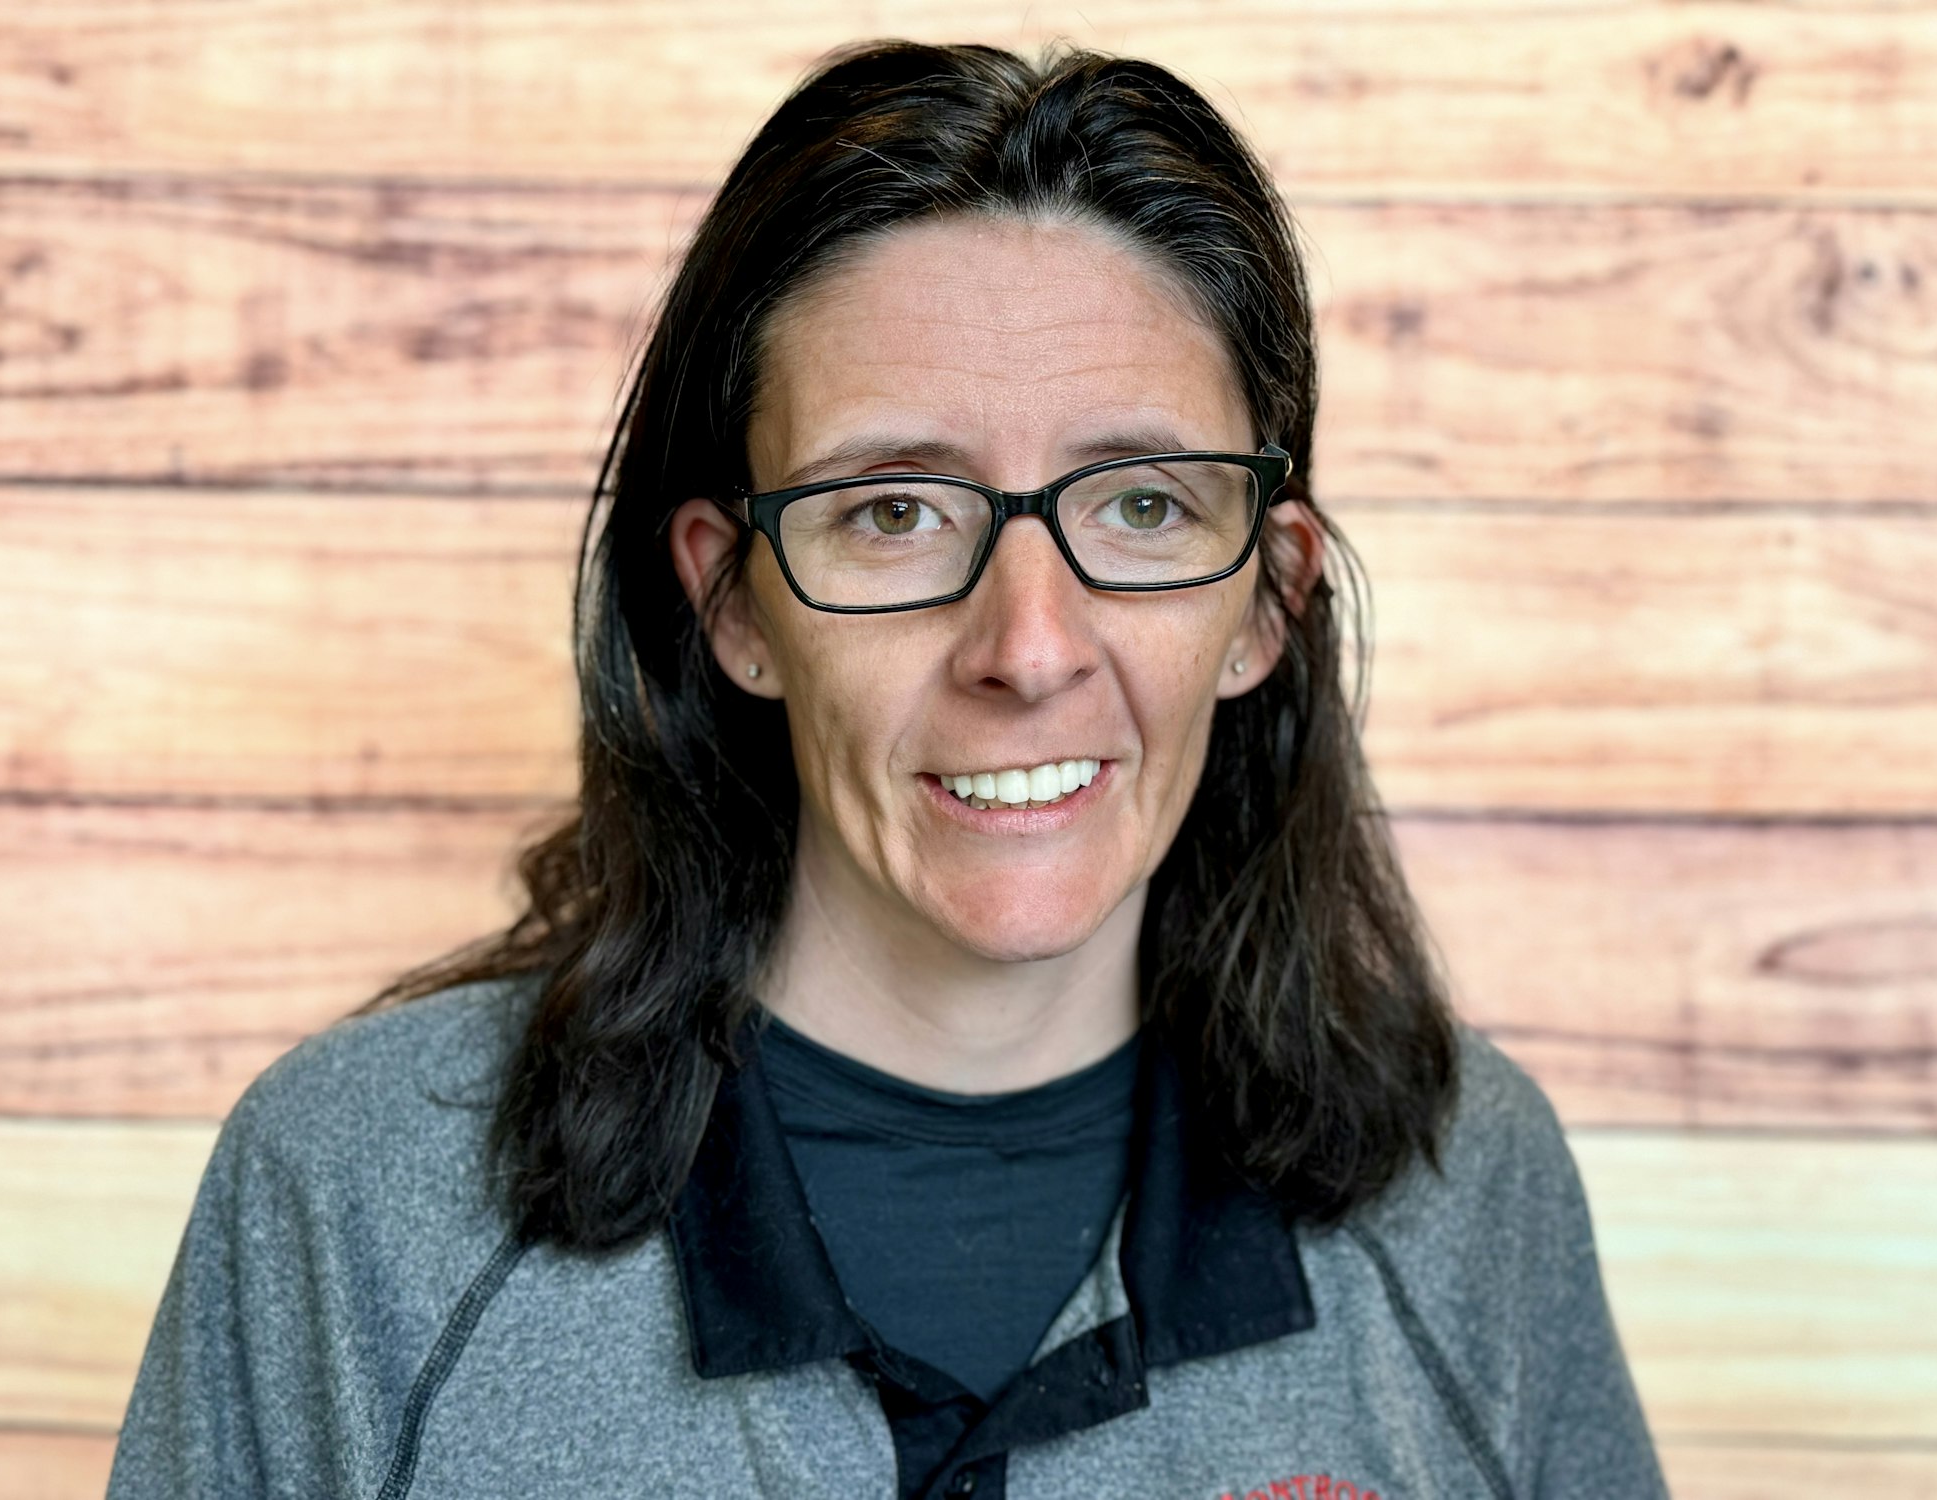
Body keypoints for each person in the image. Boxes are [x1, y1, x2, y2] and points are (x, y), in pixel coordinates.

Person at [106, 39, 1668, 1500]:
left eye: (1139, 506)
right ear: (733, 600)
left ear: (1269, 596)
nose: (1029, 646)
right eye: (894, 512)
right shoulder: (356, 1198)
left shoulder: (1468, 1189)